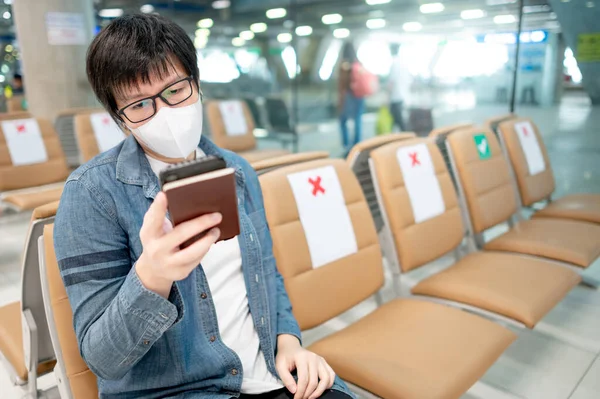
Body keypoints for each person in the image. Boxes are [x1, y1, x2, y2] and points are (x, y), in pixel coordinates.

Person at [53, 14, 353, 399]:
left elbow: (267, 274)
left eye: (175, 90)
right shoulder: (92, 194)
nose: (164, 112)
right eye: (141, 104)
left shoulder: (238, 171)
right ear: (121, 119)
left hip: (271, 372)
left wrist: (289, 341)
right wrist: (151, 277)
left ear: (197, 85)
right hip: (178, 390)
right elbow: (103, 359)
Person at [337, 42, 364, 154]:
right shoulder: (358, 64)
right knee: (357, 119)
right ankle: (357, 143)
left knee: (343, 120)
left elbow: (341, 84)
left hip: (348, 96)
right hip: (359, 95)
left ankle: (346, 144)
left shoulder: (344, 65)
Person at [387, 44, 411, 132]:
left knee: (399, 122)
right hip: (403, 96)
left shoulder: (394, 64)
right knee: (398, 121)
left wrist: (387, 98)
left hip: (395, 97)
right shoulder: (403, 64)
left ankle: (406, 139)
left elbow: (391, 83)